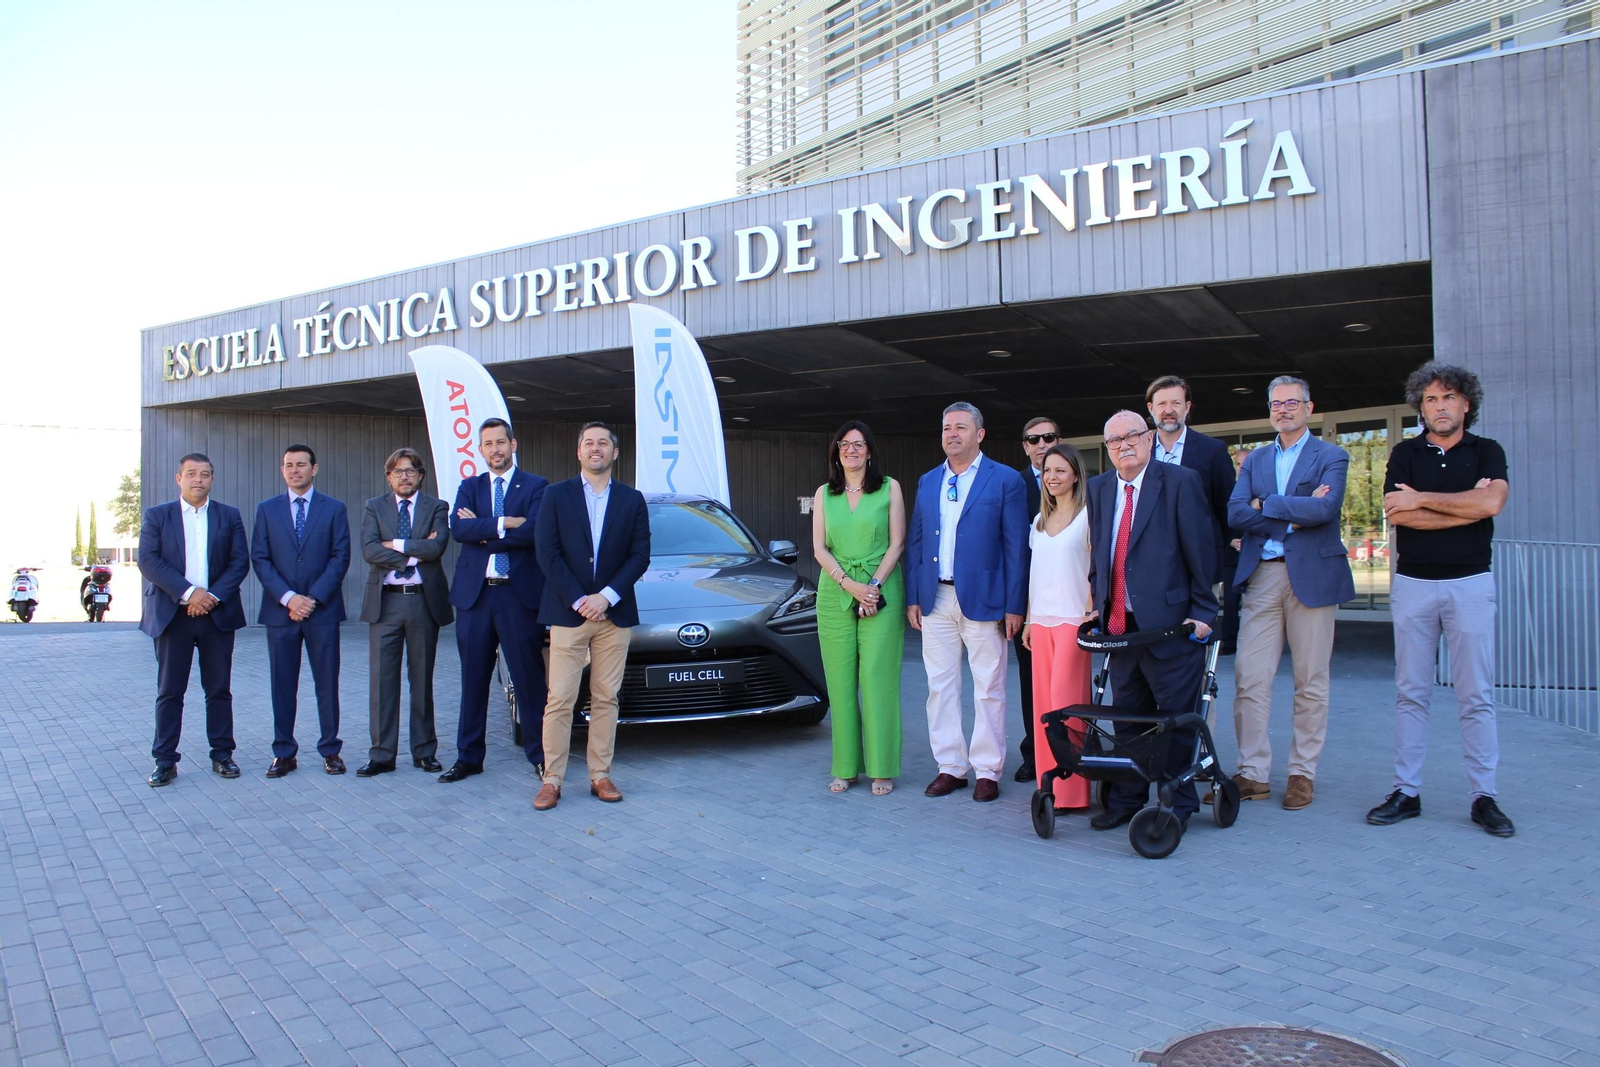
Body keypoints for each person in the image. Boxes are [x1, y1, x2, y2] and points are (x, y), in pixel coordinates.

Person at [1368, 362, 1514, 837]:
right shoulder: (1404, 453)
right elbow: (1396, 514)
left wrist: (1423, 501)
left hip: (1471, 583)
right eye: (1431, 399)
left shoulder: (1487, 451)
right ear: (1420, 406)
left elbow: (1491, 505)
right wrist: (1462, 505)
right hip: (1413, 585)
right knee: (1412, 692)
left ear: (1466, 403)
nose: (1440, 406)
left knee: (1476, 696)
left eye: (1448, 397)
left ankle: (1484, 797)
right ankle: (1406, 792)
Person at [1225, 376, 1354, 811]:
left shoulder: (1331, 455)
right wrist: (1289, 514)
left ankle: (1302, 773)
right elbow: (1236, 513)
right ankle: (1252, 772)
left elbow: (1325, 508)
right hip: (1263, 576)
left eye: (1292, 403)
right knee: (1249, 676)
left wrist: (1268, 504)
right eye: (1276, 404)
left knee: (1310, 680)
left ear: (1309, 407)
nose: (1283, 410)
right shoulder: (1255, 460)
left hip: (1312, 579)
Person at [1085, 412, 1217, 832]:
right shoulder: (1099, 488)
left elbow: (1201, 551)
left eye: (1132, 436)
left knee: (1174, 717)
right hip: (1120, 626)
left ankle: (1179, 801)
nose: (1124, 445)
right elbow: (1099, 554)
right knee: (1127, 717)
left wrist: (1203, 612)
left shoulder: (1180, 482)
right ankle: (1127, 799)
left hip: (1171, 624)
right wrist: (1097, 603)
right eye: (1114, 441)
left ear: (1149, 438)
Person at [905, 402, 1029, 803]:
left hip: (988, 598)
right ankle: (951, 767)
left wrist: (1015, 605)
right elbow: (918, 543)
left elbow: (1016, 548)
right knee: (939, 686)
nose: (952, 434)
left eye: (961, 427)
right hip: (935, 597)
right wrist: (913, 596)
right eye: (946, 428)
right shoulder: (928, 481)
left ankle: (988, 769)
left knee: (989, 687)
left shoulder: (1006, 480)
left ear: (980, 434)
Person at [531, 422, 651, 810]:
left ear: (615, 453)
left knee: (606, 698)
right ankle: (552, 779)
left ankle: (600, 775)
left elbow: (639, 556)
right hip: (569, 613)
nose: (596, 449)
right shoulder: (555, 496)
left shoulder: (632, 500)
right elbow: (546, 552)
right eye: (588, 443)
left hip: (614, 616)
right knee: (560, 698)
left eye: (603, 443)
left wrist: (607, 597)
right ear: (578, 452)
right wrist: (582, 599)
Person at [137, 453, 250, 787]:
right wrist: (189, 593)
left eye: (205, 474)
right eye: (191, 473)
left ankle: (223, 755)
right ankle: (165, 761)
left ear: (212, 479)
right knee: (170, 691)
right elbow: (148, 561)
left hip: (216, 614)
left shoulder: (228, 516)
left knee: (218, 690)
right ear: (179, 478)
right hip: (174, 615)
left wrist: (210, 596)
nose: (198, 479)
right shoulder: (158, 516)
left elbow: (239, 562)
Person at [445, 417, 548, 782]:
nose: (495, 450)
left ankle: (540, 756)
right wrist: (507, 523)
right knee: (473, 680)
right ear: (480, 449)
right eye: (488, 444)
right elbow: (459, 530)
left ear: (513, 445)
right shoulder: (469, 486)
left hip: (518, 598)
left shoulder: (536, 486)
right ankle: (469, 757)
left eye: (500, 442)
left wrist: (484, 529)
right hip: (475, 598)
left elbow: (535, 532)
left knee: (529, 681)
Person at [812, 420, 907, 796]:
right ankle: (845, 767)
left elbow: (897, 543)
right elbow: (819, 548)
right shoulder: (824, 493)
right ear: (837, 452)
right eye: (844, 445)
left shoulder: (889, 487)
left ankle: (882, 768)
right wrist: (849, 585)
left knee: (877, 679)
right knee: (840, 682)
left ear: (870, 451)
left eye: (859, 444)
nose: (851, 450)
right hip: (835, 591)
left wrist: (872, 588)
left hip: (880, 588)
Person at [251, 445, 352, 778]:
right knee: (282, 684)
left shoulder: (334, 509)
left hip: (322, 612)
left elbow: (340, 557)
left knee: (327, 684)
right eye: (288, 465)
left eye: (301, 464)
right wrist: (288, 598)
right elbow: (260, 559)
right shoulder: (266, 510)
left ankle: (330, 751)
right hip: (281, 614)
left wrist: (311, 598)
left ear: (314, 468)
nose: (295, 470)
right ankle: (284, 752)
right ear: (283, 471)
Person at [356, 448, 453, 777]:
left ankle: (424, 751)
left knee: (421, 680)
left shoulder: (437, 507)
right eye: (398, 471)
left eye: (411, 470)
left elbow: (438, 547)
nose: (405, 476)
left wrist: (394, 545)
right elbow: (369, 550)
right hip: (385, 602)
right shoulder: (374, 506)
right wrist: (414, 550)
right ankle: (382, 754)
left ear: (421, 475)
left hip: (423, 601)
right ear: (389, 477)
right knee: (382, 682)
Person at [1019, 443, 1092, 809]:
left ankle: (1074, 791)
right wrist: (1030, 620)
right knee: (1045, 709)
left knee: (1068, 704)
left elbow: (1097, 571)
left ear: (1076, 474)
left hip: (1074, 622)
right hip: (1042, 622)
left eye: (1060, 470)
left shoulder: (1087, 517)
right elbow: (1035, 575)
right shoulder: (1038, 521)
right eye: (1048, 471)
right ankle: (1049, 785)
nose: (1052, 478)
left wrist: (1093, 615)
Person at [1147, 375, 1239, 654]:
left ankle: (1195, 698)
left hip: (1198, 568)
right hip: (1149, 568)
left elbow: (1226, 508)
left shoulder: (1212, 451)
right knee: (1154, 642)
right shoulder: (1139, 452)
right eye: (1162, 403)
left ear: (1188, 407)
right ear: (1150, 409)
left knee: (1195, 642)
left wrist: (1212, 551)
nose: (1169, 409)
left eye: (1176, 402)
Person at [1012, 415, 1058, 783]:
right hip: (1028, 603)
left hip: (1069, 598)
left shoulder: (1081, 483)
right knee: (1031, 680)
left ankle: (1073, 748)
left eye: (1048, 437)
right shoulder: (1015, 485)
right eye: (1033, 439)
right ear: (1025, 446)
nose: (1041, 444)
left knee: (1069, 680)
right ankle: (1035, 752)